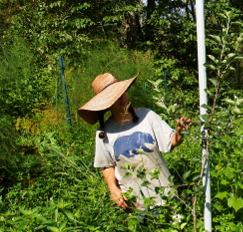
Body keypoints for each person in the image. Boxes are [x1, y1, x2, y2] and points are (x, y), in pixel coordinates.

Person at [78, 72, 191, 212]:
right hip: (133, 203)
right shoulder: (104, 133)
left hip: (164, 196)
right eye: (116, 96)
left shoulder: (147, 116)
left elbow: (171, 141)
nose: (122, 97)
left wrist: (180, 132)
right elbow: (107, 165)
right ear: (107, 103)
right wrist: (113, 190)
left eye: (122, 92)